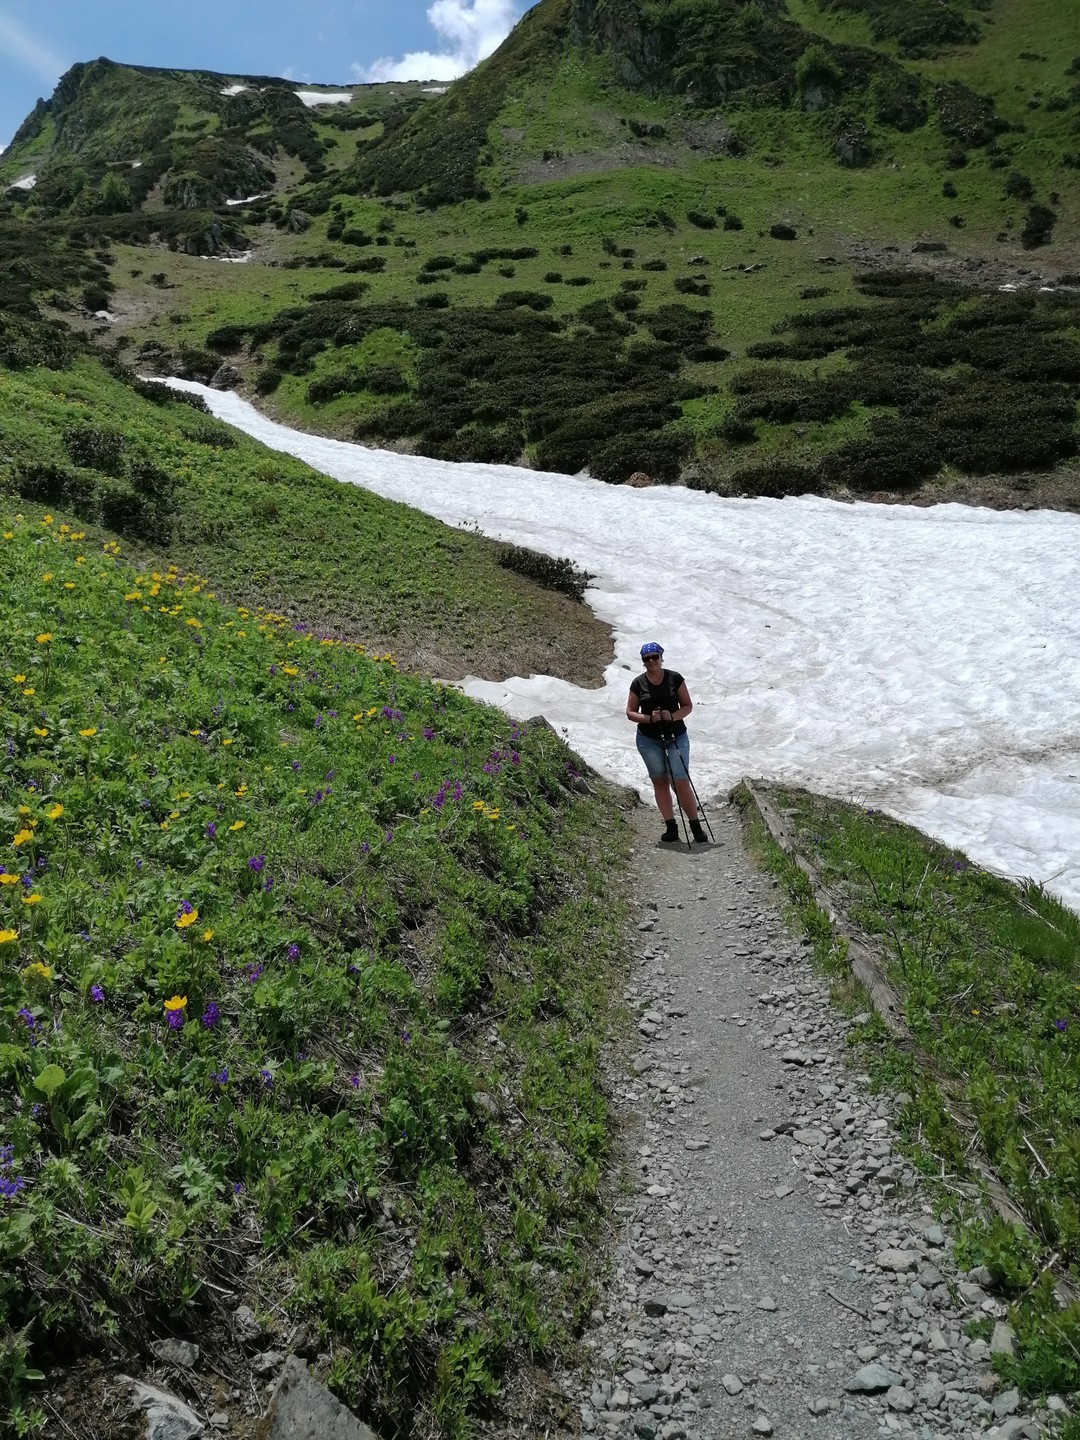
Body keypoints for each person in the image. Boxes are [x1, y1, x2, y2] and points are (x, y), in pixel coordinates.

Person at [626, 642, 708, 844]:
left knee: (680, 781)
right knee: (660, 781)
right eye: (647, 658)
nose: (651, 661)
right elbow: (630, 712)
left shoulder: (675, 678)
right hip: (648, 739)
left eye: (654, 657)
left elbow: (687, 706)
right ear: (643, 662)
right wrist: (650, 718)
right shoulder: (638, 683)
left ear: (661, 657)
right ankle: (671, 826)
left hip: (675, 736)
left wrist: (671, 716)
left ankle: (695, 825)